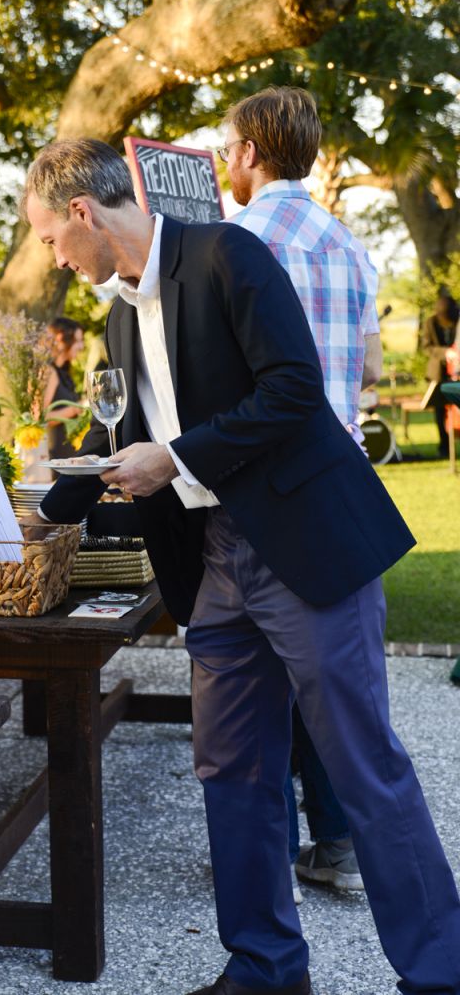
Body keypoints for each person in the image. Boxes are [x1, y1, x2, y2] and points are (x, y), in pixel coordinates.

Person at [22, 137, 460, 995]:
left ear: (81, 212)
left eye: (48, 241)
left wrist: (177, 459)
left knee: (361, 760)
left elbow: (294, 390)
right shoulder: (117, 314)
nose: (54, 260)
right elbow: (116, 438)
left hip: (302, 546)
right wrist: (37, 514)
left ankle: (441, 971)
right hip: (211, 561)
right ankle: (264, 968)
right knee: (232, 770)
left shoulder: (228, 253)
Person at [225, 86, 378, 900]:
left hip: (262, 486)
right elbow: (372, 370)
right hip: (341, 481)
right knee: (327, 673)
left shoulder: (235, 240)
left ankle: (264, 850)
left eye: (228, 147)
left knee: (255, 678)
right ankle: (340, 838)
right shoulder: (351, 245)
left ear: (249, 153)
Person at [422, 294, 459, 459]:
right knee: (439, 411)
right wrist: (446, 353)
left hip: (457, 371)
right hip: (438, 372)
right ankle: (443, 446)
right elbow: (427, 347)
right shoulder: (430, 323)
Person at [44, 316, 85, 459]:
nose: (82, 346)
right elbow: (41, 418)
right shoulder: (48, 372)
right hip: (53, 454)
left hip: (67, 454)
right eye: (78, 341)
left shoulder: (65, 372)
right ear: (61, 339)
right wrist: (78, 407)